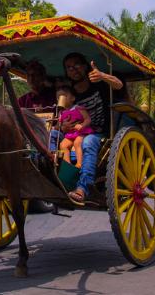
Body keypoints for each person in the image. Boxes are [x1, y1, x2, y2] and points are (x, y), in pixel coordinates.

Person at [62, 52, 125, 205]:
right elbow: (63, 115)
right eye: (69, 67)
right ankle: (63, 179)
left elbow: (119, 84)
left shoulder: (98, 82)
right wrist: (63, 126)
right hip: (76, 133)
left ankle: (83, 187)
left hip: (100, 132)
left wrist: (103, 75)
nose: (73, 69)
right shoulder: (70, 93)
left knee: (88, 142)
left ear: (84, 66)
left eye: (76, 64)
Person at [57, 86, 93, 168]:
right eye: (58, 97)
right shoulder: (61, 113)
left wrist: (82, 125)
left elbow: (88, 119)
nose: (61, 99)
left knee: (77, 143)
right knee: (63, 145)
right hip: (70, 134)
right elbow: (58, 125)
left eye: (64, 96)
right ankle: (67, 164)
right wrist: (60, 126)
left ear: (72, 98)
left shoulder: (78, 108)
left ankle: (79, 163)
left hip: (81, 132)